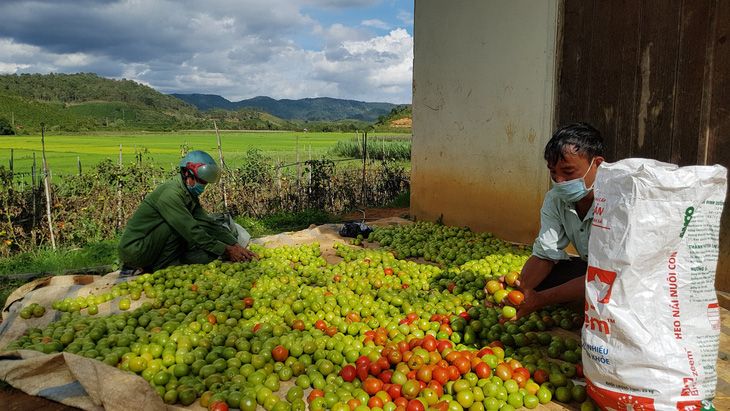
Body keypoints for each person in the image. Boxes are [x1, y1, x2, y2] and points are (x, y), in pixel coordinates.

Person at [491, 122, 605, 320]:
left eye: (568, 172)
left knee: (608, 294)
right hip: (593, 270)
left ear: (597, 164)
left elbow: (608, 275)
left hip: (623, 279)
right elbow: (545, 254)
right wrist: (518, 291)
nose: (559, 181)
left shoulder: (618, 202)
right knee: (544, 279)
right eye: (553, 172)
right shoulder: (555, 201)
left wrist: (541, 299)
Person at [118, 150, 257, 275]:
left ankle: (159, 264)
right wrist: (226, 249)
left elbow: (207, 223)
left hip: (152, 243)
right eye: (200, 181)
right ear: (186, 174)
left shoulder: (188, 195)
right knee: (179, 227)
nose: (203, 186)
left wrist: (235, 244)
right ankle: (161, 269)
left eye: (205, 183)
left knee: (195, 231)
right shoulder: (171, 194)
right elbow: (191, 231)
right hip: (135, 249)